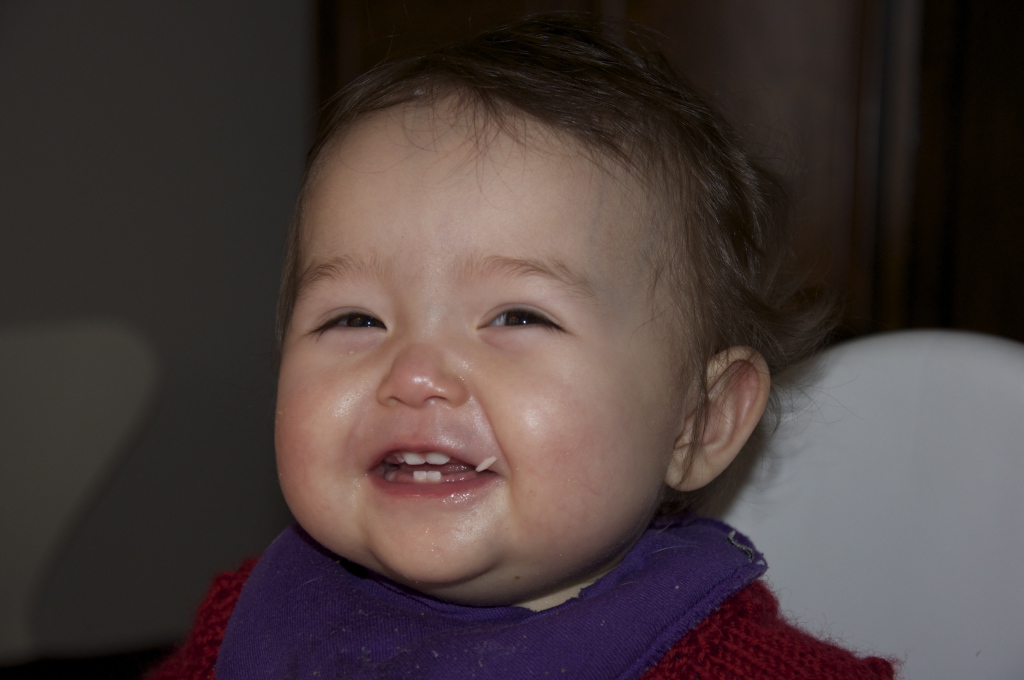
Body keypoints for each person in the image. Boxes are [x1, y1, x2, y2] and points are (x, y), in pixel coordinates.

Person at [149, 14, 896, 680]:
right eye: (356, 319)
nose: (413, 373)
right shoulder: (251, 626)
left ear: (698, 422)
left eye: (516, 317)